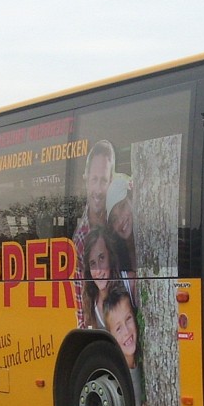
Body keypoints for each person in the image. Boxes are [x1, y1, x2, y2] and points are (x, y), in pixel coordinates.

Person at [72, 140, 116, 326]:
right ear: (86, 179)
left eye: (104, 181)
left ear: (111, 181)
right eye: (94, 180)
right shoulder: (80, 240)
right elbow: (82, 307)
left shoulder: (119, 221)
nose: (98, 190)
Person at [101, 280, 150, 406]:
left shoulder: (144, 360)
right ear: (111, 336)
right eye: (118, 328)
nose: (127, 332)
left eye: (128, 319)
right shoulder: (118, 380)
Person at [82, 225, 136, 330]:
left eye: (102, 258)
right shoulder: (90, 300)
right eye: (93, 263)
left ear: (110, 257)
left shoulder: (130, 283)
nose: (98, 270)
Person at [105, 172, 138, 273]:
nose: (120, 221)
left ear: (131, 201)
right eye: (114, 219)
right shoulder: (116, 258)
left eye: (122, 207)